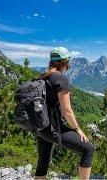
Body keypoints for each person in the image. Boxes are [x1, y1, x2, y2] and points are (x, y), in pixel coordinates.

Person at [34, 47, 96, 180]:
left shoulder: (43, 77)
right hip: (54, 128)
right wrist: (78, 129)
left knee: (43, 162)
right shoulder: (60, 79)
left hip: (41, 127)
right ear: (66, 62)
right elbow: (67, 111)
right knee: (88, 149)